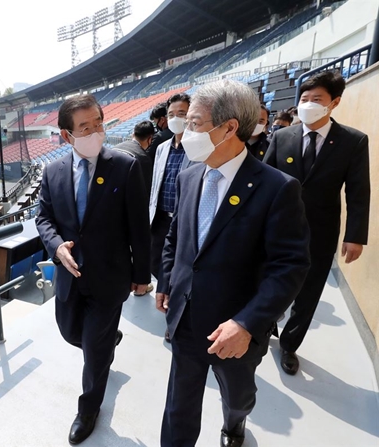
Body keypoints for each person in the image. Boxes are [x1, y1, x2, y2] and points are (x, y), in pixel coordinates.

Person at [156, 80, 310, 447]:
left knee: (237, 396)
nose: (185, 130)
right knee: (179, 407)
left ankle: (235, 424)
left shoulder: (278, 188)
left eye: (194, 122)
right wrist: (167, 282)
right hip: (186, 319)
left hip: (237, 329)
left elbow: (290, 266)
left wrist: (246, 323)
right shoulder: (190, 174)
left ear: (228, 128)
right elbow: (176, 239)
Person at [35, 94, 151, 445]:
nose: (95, 131)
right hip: (70, 277)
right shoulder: (52, 171)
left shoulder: (125, 165)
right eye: (85, 127)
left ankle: (88, 409)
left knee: (95, 354)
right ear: (67, 136)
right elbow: (43, 218)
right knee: (72, 335)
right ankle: (107, 339)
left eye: (99, 123)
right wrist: (56, 247)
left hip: (110, 278)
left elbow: (138, 227)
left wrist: (142, 275)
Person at [264, 70, 370, 375]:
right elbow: (263, 181)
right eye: (304, 98)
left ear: (334, 103)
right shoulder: (282, 137)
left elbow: (358, 191)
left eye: (317, 99)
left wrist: (355, 235)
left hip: (321, 232)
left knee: (308, 293)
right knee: (271, 280)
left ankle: (289, 345)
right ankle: (267, 323)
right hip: (277, 227)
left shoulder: (352, 141)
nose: (308, 104)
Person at [148, 93, 194, 301]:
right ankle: (166, 294)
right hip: (160, 218)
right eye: (171, 114)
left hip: (184, 219)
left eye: (182, 113)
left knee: (182, 264)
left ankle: (177, 302)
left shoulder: (198, 148)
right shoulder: (161, 148)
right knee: (157, 261)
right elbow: (156, 183)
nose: (176, 118)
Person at [112, 120, 155, 199]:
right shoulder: (143, 158)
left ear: (133, 134)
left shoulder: (115, 148)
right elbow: (144, 191)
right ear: (150, 139)